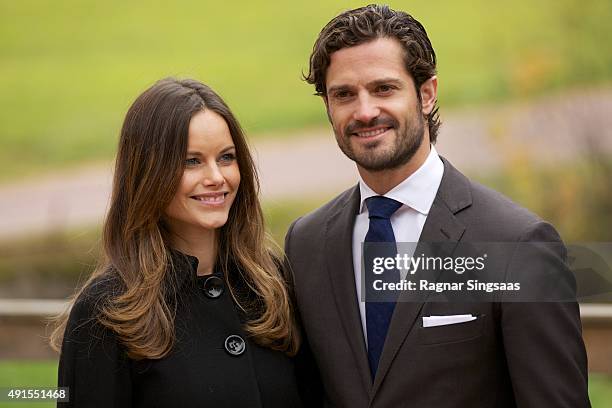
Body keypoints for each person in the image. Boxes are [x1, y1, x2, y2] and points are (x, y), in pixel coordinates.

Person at [285, 5, 590, 407]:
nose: (364, 111)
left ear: (426, 94)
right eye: (344, 94)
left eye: (384, 88)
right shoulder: (306, 243)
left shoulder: (518, 245)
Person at [50, 78, 303, 407]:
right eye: (192, 161)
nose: (216, 177)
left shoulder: (273, 283)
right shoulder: (106, 311)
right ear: (149, 173)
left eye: (226, 157)